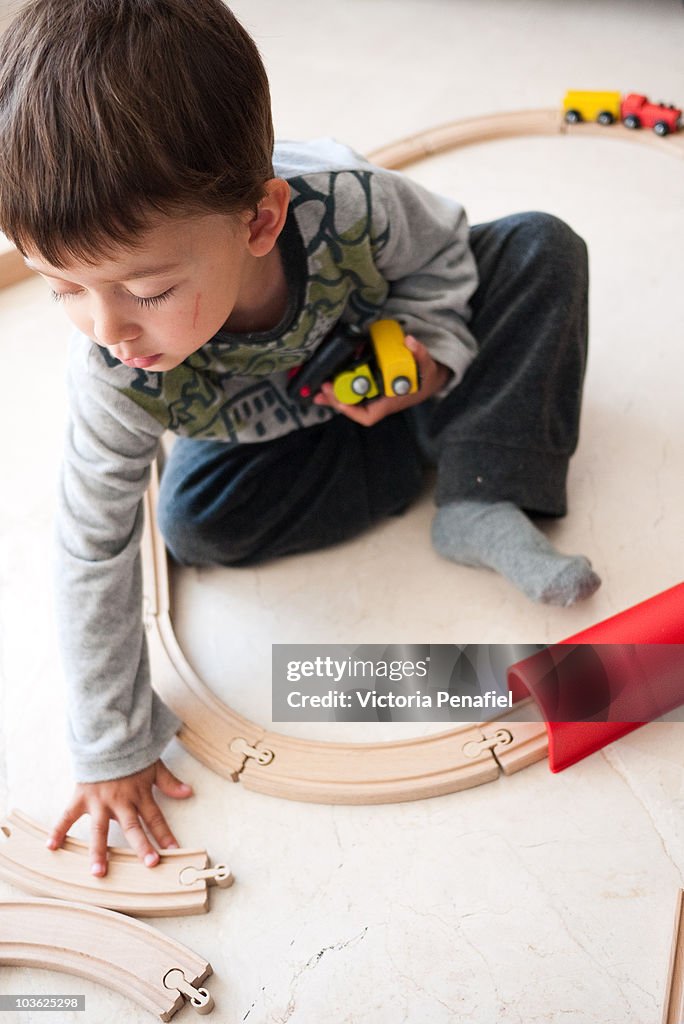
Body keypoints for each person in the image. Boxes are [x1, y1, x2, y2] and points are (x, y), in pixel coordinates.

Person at [0, 0, 600, 876]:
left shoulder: (357, 204)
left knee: (543, 249)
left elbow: (444, 264)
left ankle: (481, 490)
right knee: (200, 523)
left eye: (148, 290)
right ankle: (449, 439)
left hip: (376, 347)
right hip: (271, 426)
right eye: (63, 289)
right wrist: (111, 744)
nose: (107, 329)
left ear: (260, 220)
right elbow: (93, 547)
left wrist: (430, 354)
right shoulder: (114, 372)